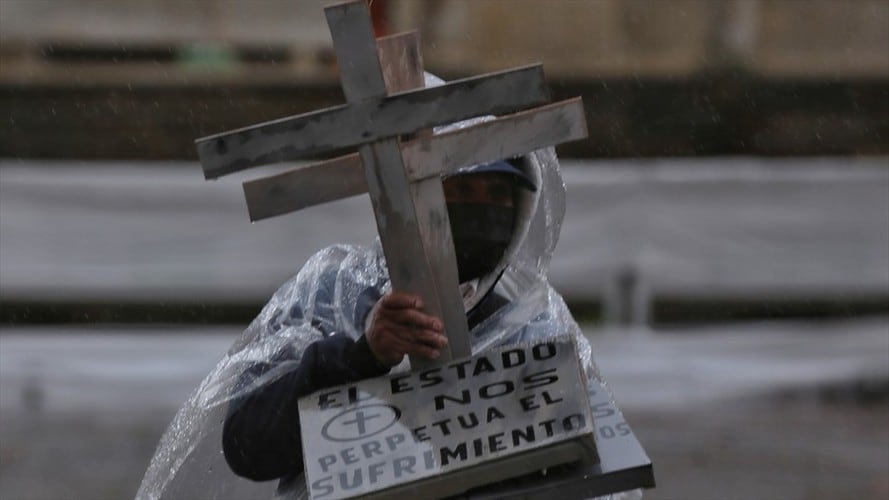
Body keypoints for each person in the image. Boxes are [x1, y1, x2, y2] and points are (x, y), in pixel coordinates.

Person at [221, 160, 538, 488]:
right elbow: (248, 444)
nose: (480, 210)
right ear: (416, 196)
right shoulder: (331, 296)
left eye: (498, 193)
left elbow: (570, 458)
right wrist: (362, 357)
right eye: (460, 189)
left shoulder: (523, 327)